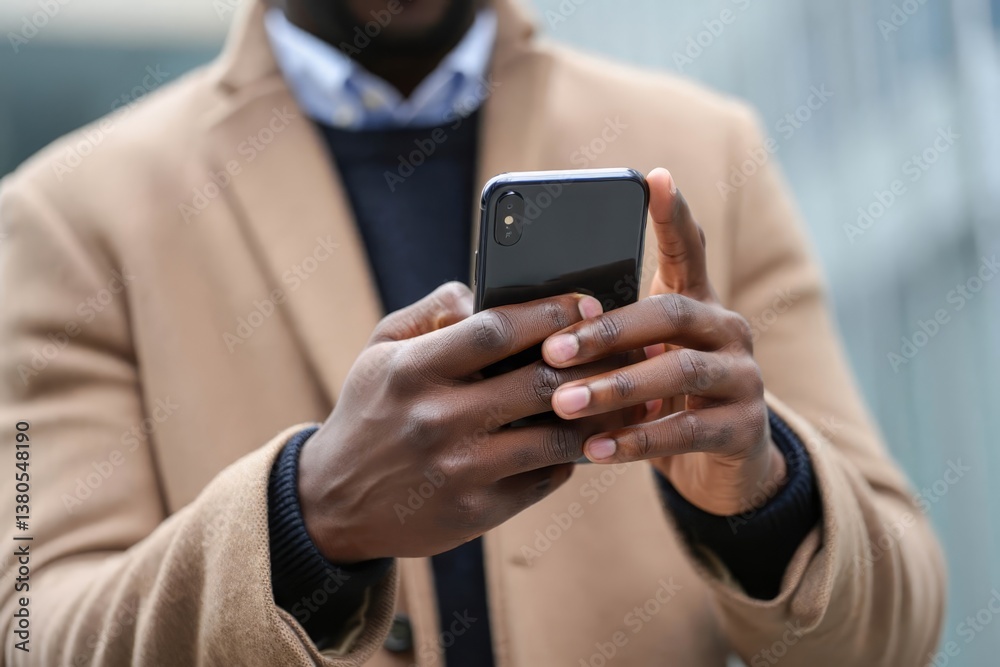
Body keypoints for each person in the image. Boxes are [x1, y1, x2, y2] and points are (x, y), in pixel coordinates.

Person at [0, 0, 946, 664]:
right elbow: (34, 629)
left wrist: (765, 498)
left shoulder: (706, 147)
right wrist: (308, 514)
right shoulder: (68, 217)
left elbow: (894, 637)